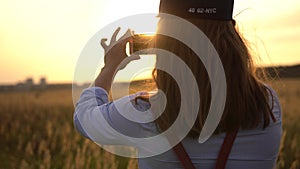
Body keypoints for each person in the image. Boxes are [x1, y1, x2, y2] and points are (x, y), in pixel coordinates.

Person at [74, 0, 282, 168]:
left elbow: (84, 118)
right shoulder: (267, 106)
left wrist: (110, 67)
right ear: (233, 38)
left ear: (163, 43)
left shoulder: (143, 114)